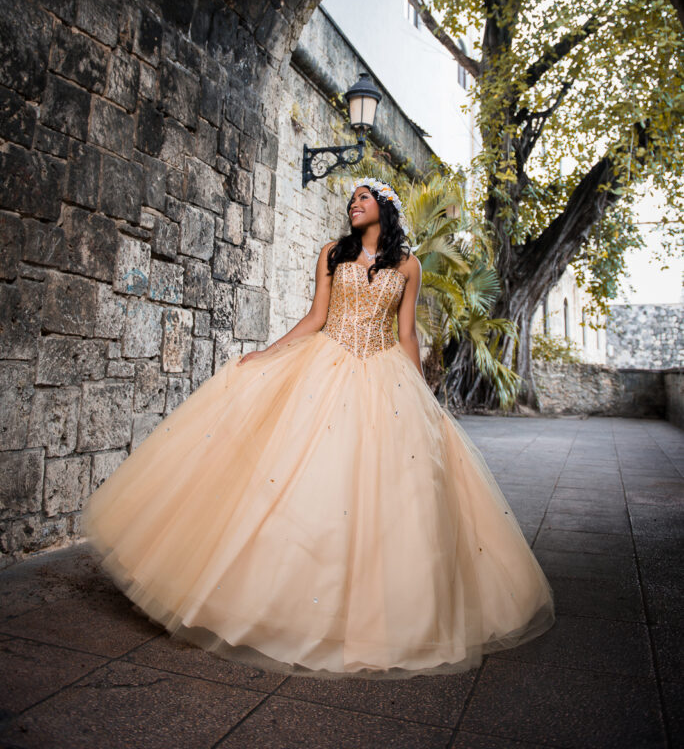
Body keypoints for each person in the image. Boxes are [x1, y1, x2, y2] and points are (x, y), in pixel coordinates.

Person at [83, 176, 555, 681]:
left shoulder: (409, 266)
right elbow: (316, 317)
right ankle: (274, 607)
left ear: (385, 209)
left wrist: (423, 397)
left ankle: (382, 620)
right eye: (351, 199)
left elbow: (406, 333)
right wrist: (269, 353)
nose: (354, 204)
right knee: (305, 478)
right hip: (326, 366)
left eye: (364, 197)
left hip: (386, 377)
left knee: (393, 494)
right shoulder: (332, 253)